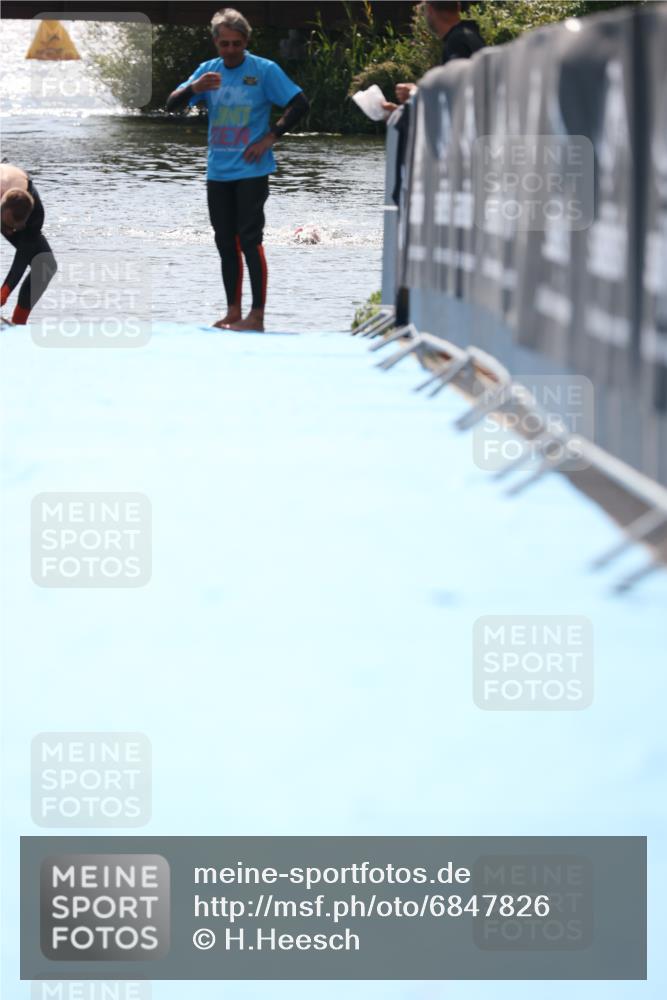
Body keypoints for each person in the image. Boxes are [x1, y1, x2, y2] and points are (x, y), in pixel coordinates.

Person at [166, 7, 309, 332]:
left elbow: (300, 102)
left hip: (252, 170)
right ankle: (233, 312)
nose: (230, 50)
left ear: (245, 42)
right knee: (224, 242)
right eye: (225, 44)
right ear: (216, 43)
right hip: (218, 172)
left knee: (249, 239)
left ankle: (256, 315)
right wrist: (194, 89)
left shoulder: (264, 70)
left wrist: (271, 137)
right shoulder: (208, 71)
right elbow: (171, 104)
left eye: (237, 43)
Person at [382, 1, 485, 113]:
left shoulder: (456, 43)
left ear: (430, 9)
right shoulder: (470, 35)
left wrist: (415, 93)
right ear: (458, 7)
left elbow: (456, 99)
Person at [1, 163, 57, 325]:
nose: (11, 232)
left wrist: (4, 292)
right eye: (8, 226)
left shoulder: (36, 214)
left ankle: (19, 322)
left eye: (15, 228)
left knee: (45, 265)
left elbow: (23, 257)